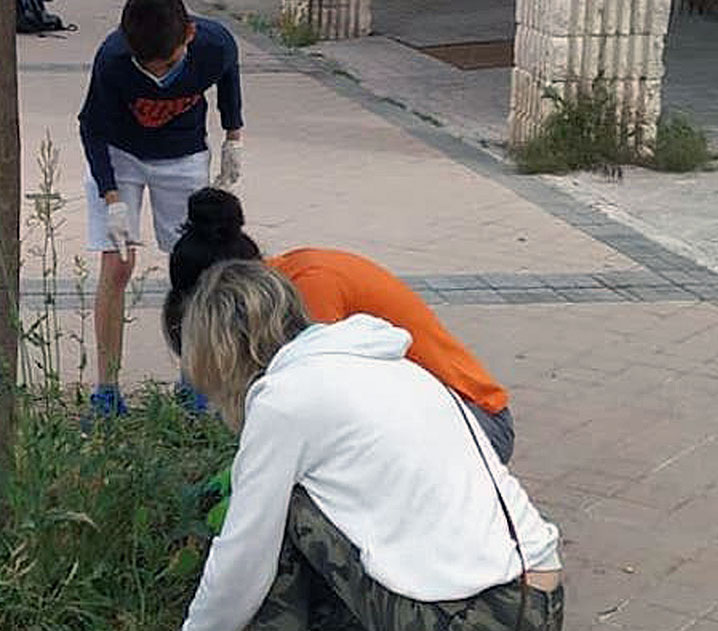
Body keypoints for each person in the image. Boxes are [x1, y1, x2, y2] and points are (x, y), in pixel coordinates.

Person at [155, 262, 565, 631]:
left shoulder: (287, 401)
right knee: (348, 504)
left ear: (224, 352)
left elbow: (243, 560)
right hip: (539, 615)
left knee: (280, 513)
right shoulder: (394, 365)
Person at [162, 188, 516, 461]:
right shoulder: (282, 285)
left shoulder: (308, 292)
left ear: (226, 292)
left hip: (476, 423)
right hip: (425, 421)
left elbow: (316, 415)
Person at [78, 0, 243, 416]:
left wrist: (234, 136)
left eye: (168, 65)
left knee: (195, 266)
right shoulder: (113, 59)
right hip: (120, 155)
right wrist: (111, 197)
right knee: (118, 264)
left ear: (188, 34)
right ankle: (107, 390)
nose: (158, 77)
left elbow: (229, 77)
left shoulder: (215, 44)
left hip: (183, 156)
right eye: (146, 69)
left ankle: (194, 380)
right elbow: (91, 128)